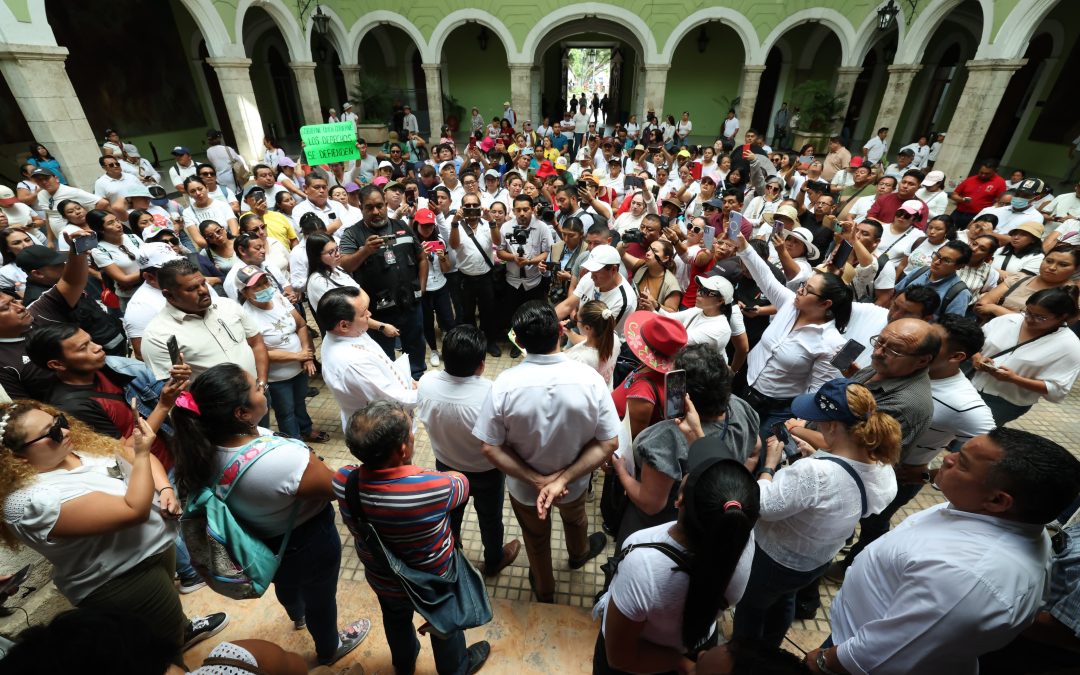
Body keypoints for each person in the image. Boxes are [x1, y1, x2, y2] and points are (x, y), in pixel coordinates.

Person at [811, 428, 1080, 675]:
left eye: (962, 463)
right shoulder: (989, 513)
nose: (947, 458)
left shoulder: (968, 579)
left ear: (998, 500)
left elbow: (880, 656)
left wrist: (823, 662)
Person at [172, 364, 370, 666]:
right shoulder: (285, 461)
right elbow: (334, 488)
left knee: (286, 583)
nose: (263, 387)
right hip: (307, 541)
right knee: (321, 597)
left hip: (258, 541)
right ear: (242, 413)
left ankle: (296, 614)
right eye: (256, 387)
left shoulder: (200, 446)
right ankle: (330, 647)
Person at [0, 400, 228, 662]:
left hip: (152, 555)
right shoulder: (31, 500)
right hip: (122, 579)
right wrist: (142, 454)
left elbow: (132, 456)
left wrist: (164, 487)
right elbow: (133, 510)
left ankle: (183, 630)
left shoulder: (77, 452)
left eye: (59, 422)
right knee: (160, 654)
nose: (64, 432)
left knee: (166, 621)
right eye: (50, 433)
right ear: (17, 457)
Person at [733, 379, 900, 648]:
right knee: (785, 599)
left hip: (774, 559)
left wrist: (770, 466)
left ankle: (742, 656)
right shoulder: (883, 467)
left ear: (832, 426)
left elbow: (763, 506)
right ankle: (771, 646)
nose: (815, 426)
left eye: (818, 421)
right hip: (816, 559)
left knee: (752, 606)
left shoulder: (815, 473)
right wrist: (818, 455)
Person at [474, 301, 620, 603]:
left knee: (536, 540)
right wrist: (562, 479)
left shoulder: (504, 385)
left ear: (520, 341)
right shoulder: (590, 380)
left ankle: (544, 588)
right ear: (560, 332)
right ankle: (578, 554)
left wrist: (539, 482)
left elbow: (490, 447)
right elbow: (609, 442)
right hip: (574, 484)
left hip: (527, 490)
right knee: (576, 520)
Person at [332, 400, 490, 674]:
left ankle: (404, 663)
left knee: (394, 620)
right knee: (446, 626)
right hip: (435, 582)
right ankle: (455, 668)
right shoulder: (433, 486)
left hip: (384, 579)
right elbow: (462, 484)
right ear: (403, 449)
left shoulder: (344, 480)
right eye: (411, 431)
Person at [594, 455, 759, 674]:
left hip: (643, 657)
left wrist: (679, 663)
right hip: (696, 643)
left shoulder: (644, 568)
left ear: (679, 499)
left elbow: (619, 658)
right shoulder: (742, 539)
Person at [816, 318, 938, 584]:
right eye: (880, 341)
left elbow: (854, 449)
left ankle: (818, 587)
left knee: (829, 538)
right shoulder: (881, 368)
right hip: (828, 457)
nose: (879, 351)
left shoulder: (907, 403)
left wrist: (794, 429)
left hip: (848, 479)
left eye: (894, 349)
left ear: (922, 360)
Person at [614, 343, 760, 545]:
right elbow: (755, 450)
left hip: (663, 527)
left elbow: (651, 504)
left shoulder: (663, 439)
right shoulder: (742, 409)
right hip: (710, 518)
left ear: (683, 396)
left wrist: (621, 471)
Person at [416, 324, 521, 579]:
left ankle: (452, 557)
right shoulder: (492, 393)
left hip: (446, 466)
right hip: (486, 471)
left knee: (451, 515)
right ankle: (494, 560)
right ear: (481, 364)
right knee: (490, 518)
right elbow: (506, 438)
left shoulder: (427, 383)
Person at [733, 233, 850, 434]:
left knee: (757, 452)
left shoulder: (832, 343)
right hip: (748, 387)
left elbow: (819, 388)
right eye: (803, 285)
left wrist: (802, 421)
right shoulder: (789, 304)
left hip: (778, 409)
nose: (799, 290)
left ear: (825, 304)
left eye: (807, 290)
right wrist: (744, 247)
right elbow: (765, 277)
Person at [338, 185, 429, 380]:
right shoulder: (352, 234)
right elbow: (345, 265)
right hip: (378, 312)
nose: (376, 212)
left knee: (415, 347)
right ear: (361, 208)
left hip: (411, 304)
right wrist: (365, 251)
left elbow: (422, 258)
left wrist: (422, 288)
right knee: (382, 356)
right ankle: (390, 385)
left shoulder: (401, 226)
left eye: (379, 206)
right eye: (369, 207)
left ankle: (417, 379)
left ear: (386, 205)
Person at [233, 265, 325, 443]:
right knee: (286, 412)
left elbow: (301, 325)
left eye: (265, 282)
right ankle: (295, 442)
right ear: (244, 292)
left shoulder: (278, 297)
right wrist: (298, 357)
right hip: (276, 377)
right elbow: (259, 351)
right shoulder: (246, 316)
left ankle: (306, 429)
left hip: (299, 369)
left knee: (300, 403)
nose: (264, 288)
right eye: (256, 286)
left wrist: (306, 354)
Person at [140, 257, 269, 383]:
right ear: (169, 295)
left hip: (258, 390)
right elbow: (172, 389)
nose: (203, 290)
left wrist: (262, 382)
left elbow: (256, 342)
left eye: (203, 283)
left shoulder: (227, 305)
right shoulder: (157, 336)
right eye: (192, 288)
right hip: (219, 404)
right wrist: (179, 380)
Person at [971, 286, 1080, 425]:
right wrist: (976, 357)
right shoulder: (1008, 320)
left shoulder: (1070, 346)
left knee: (972, 439)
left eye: (1040, 317)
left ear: (1062, 317)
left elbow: (1057, 389)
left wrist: (1015, 379)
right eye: (1028, 311)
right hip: (971, 384)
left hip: (1005, 402)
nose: (1029, 319)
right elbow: (971, 342)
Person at [317, 286, 415, 431]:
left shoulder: (351, 331)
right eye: (364, 313)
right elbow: (392, 400)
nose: (369, 314)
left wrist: (406, 380)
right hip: (381, 428)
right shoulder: (352, 363)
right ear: (343, 325)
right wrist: (429, 391)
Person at [17, 241, 127, 358]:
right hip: (99, 354)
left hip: (112, 339)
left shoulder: (59, 283)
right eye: (57, 265)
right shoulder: (39, 302)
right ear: (38, 273)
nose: (64, 266)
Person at [497, 194, 554, 356]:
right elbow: (500, 252)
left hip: (533, 281)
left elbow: (546, 252)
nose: (522, 213)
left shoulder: (542, 227)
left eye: (526, 209)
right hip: (512, 280)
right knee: (514, 314)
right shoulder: (506, 227)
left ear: (532, 209)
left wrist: (530, 261)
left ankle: (533, 344)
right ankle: (517, 344)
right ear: (513, 211)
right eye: (518, 210)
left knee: (533, 315)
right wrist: (513, 258)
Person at [975, 243, 1078, 318]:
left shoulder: (1071, 295)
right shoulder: (1019, 279)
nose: (1052, 267)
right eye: (1049, 261)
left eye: (1063, 265)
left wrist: (996, 309)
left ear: (1076, 269)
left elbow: (1041, 325)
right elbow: (982, 304)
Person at [892, 239, 973, 319]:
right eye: (937, 255)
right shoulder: (919, 271)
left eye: (946, 260)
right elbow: (894, 295)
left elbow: (949, 327)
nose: (936, 262)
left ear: (960, 266)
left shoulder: (960, 293)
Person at [86, 209, 142, 311]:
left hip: (152, 286)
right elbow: (124, 280)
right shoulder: (99, 251)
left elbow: (153, 260)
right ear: (100, 229)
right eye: (111, 223)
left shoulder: (133, 238)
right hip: (131, 297)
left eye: (117, 220)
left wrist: (136, 278)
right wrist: (151, 271)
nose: (118, 225)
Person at [563, 299, 620, 388]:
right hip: (606, 390)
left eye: (577, 319)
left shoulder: (579, 359)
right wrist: (569, 332)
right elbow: (583, 343)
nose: (575, 322)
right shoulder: (614, 339)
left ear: (587, 328)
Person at [303, 232, 359, 311]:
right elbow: (346, 310)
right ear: (317, 257)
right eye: (331, 252)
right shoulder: (318, 281)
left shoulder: (337, 268)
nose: (338, 254)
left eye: (337, 249)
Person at [204, 129, 246, 193]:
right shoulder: (227, 149)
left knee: (227, 195)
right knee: (237, 194)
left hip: (219, 178)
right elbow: (239, 161)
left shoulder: (208, 151)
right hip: (232, 176)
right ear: (218, 138)